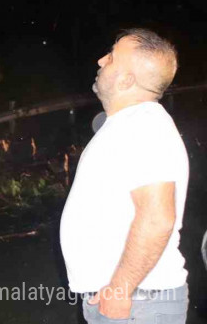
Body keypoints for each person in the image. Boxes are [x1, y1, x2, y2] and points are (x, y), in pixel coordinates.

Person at [60, 29, 189, 323]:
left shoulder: (144, 124)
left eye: (112, 57)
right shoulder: (125, 125)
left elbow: (157, 218)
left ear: (127, 79)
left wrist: (120, 289)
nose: (101, 59)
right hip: (127, 302)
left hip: (135, 305)